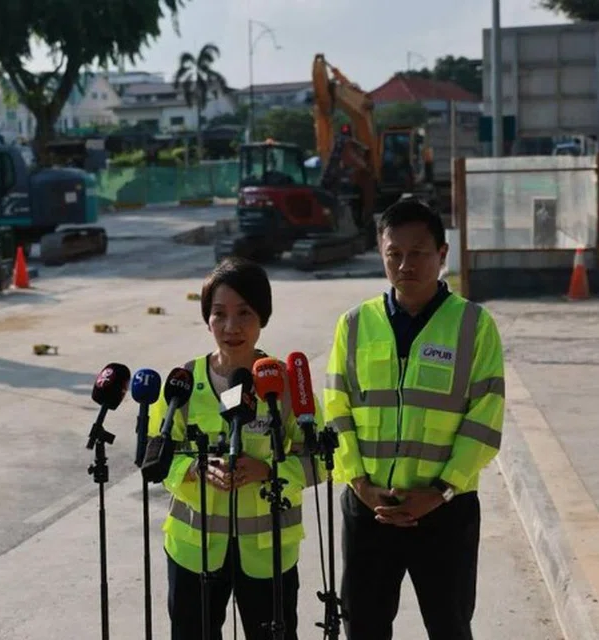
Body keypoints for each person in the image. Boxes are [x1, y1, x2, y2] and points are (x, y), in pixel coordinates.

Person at [323, 197, 505, 640]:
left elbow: (484, 420)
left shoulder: (473, 326)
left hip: (445, 511)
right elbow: (336, 408)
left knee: (449, 626)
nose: (406, 264)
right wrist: (360, 484)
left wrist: (440, 491)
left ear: (442, 254)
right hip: (370, 509)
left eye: (419, 252)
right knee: (363, 626)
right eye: (394, 253)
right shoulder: (354, 324)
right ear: (381, 254)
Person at [147, 256, 323, 640]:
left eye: (244, 313)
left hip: (267, 553)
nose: (231, 327)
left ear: (263, 316)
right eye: (219, 313)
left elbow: (321, 461)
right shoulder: (182, 381)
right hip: (193, 552)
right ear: (207, 318)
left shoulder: (288, 385)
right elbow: (157, 457)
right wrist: (193, 470)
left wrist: (270, 471)